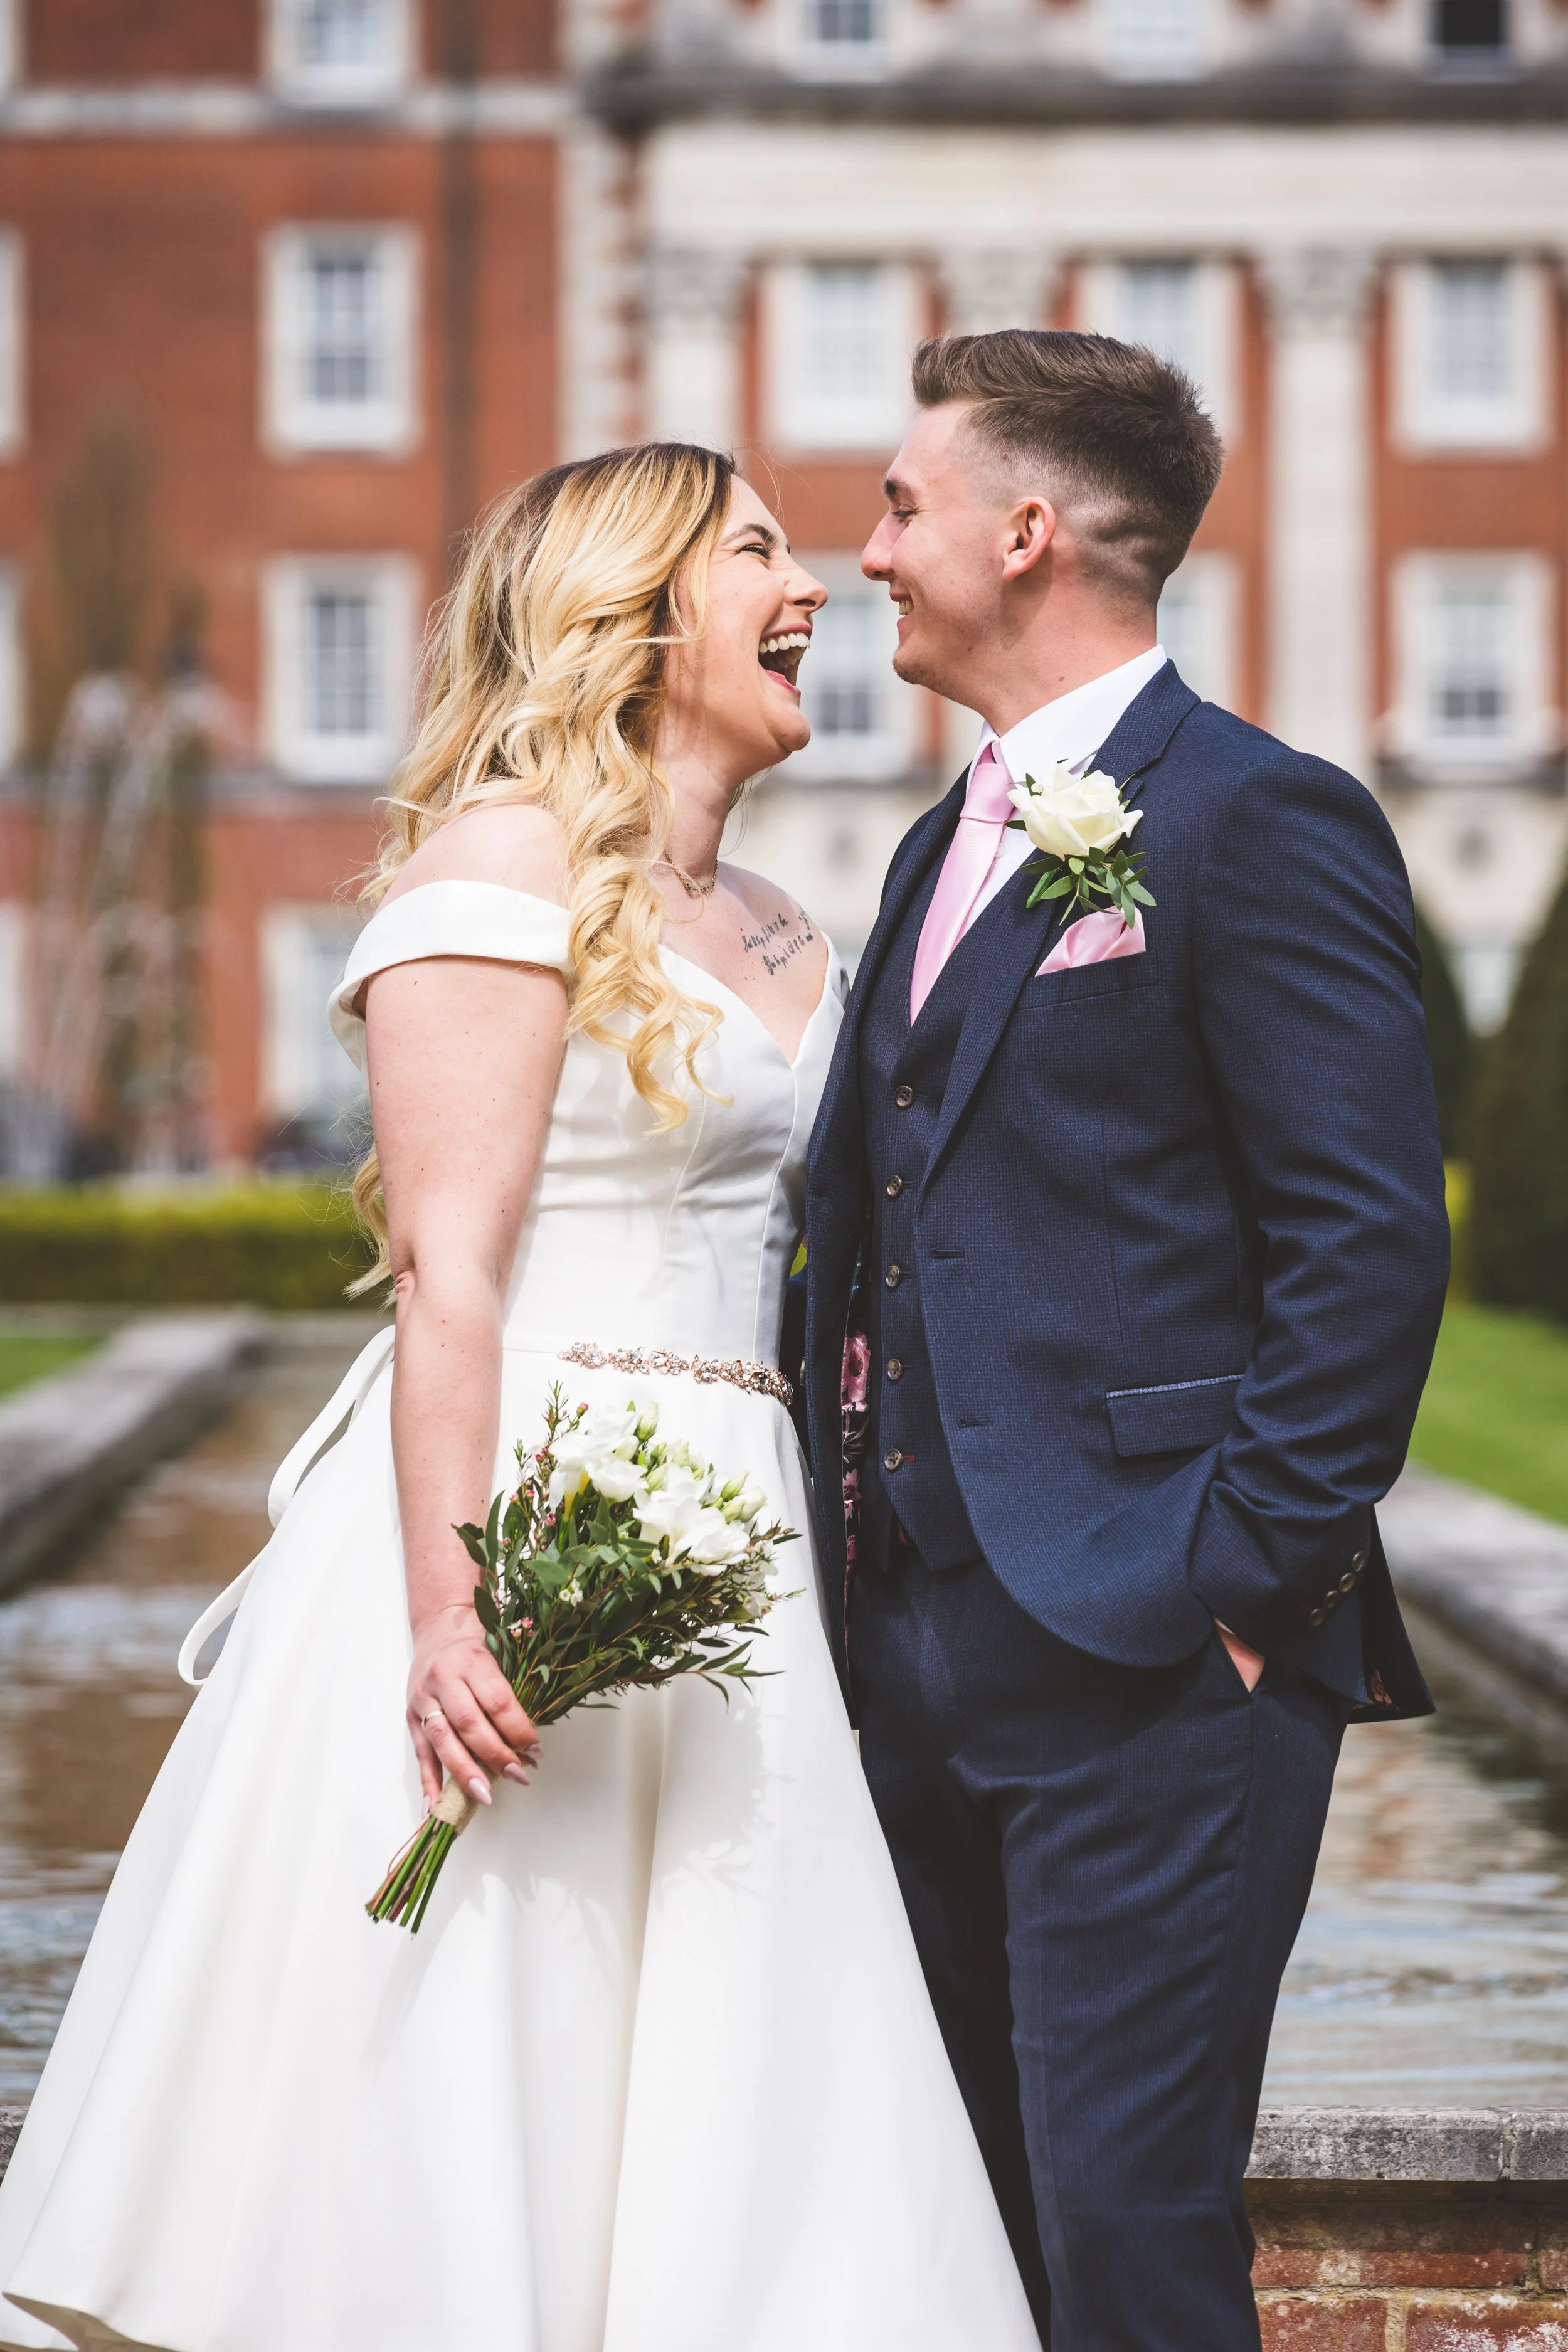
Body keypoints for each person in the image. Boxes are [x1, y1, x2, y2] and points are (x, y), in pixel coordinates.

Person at [0, 444, 1039, 2352]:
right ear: (639, 612)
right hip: (533, 1507)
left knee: (733, 2055)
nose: (807, 584)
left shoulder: (795, 928)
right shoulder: (500, 869)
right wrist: (450, 1608)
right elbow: (448, 1269)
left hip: (743, 1535)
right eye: (752, 553)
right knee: (491, 2047)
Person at [802, 330, 1451, 2352]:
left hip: (1156, 1652)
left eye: (902, 505)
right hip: (908, 1648)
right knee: (973, 2228)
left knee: (1125, 2229)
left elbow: (1364, 1245)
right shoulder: (934, 845)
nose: (868, 549)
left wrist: (1235, 1583)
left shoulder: (1259, 819)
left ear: (1024, 526)